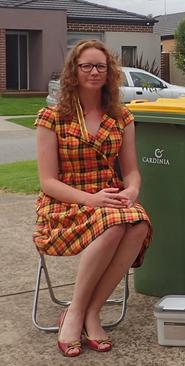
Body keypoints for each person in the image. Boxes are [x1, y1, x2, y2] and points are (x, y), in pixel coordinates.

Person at [33, 40, 152, 357]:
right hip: (66, 202)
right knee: (113, 227)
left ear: (109, 71)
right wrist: (90, 200)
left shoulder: (121, 117)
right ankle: (75, 314)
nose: (94, 71)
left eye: (101, 66)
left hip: (109, 197)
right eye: (86, 65)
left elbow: (131, 172)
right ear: (74, 70)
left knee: (138, 225)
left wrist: (131, 191)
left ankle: (90, 311)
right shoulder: (52, 117)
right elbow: (47, 181)